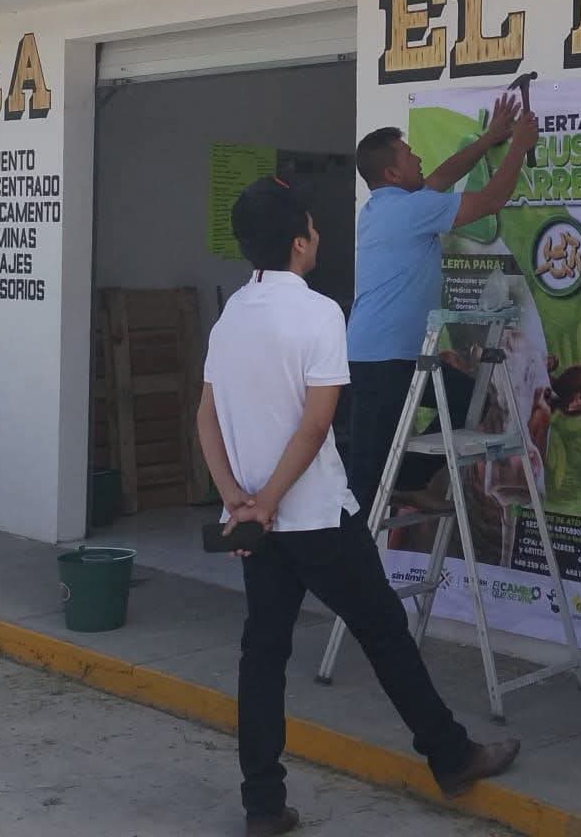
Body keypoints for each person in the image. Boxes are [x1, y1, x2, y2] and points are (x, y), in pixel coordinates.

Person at [197, 177, 520, 837]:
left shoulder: (230, 317)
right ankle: (452, 756)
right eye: (313, 227)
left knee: (263, 655)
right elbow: (316, 426)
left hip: (260, 522)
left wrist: (238, 501)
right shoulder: (319, 313)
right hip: (314, 514)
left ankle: (263, 804)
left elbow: (204, 415)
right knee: (384, 634)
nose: (319, 236)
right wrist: (268, 503)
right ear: (298, 243)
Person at [347, 96, 539, 518]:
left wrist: (489, 138)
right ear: (392, 173)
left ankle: (408, 482)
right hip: (381, 357)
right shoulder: (409, 210)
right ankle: (352, 540)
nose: (418, 159)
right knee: (367, 473)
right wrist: (519, 148)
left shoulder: (384, 207)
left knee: (467, 397)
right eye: (408, 154)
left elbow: (440, 177)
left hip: (395, 353)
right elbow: (489, 201)